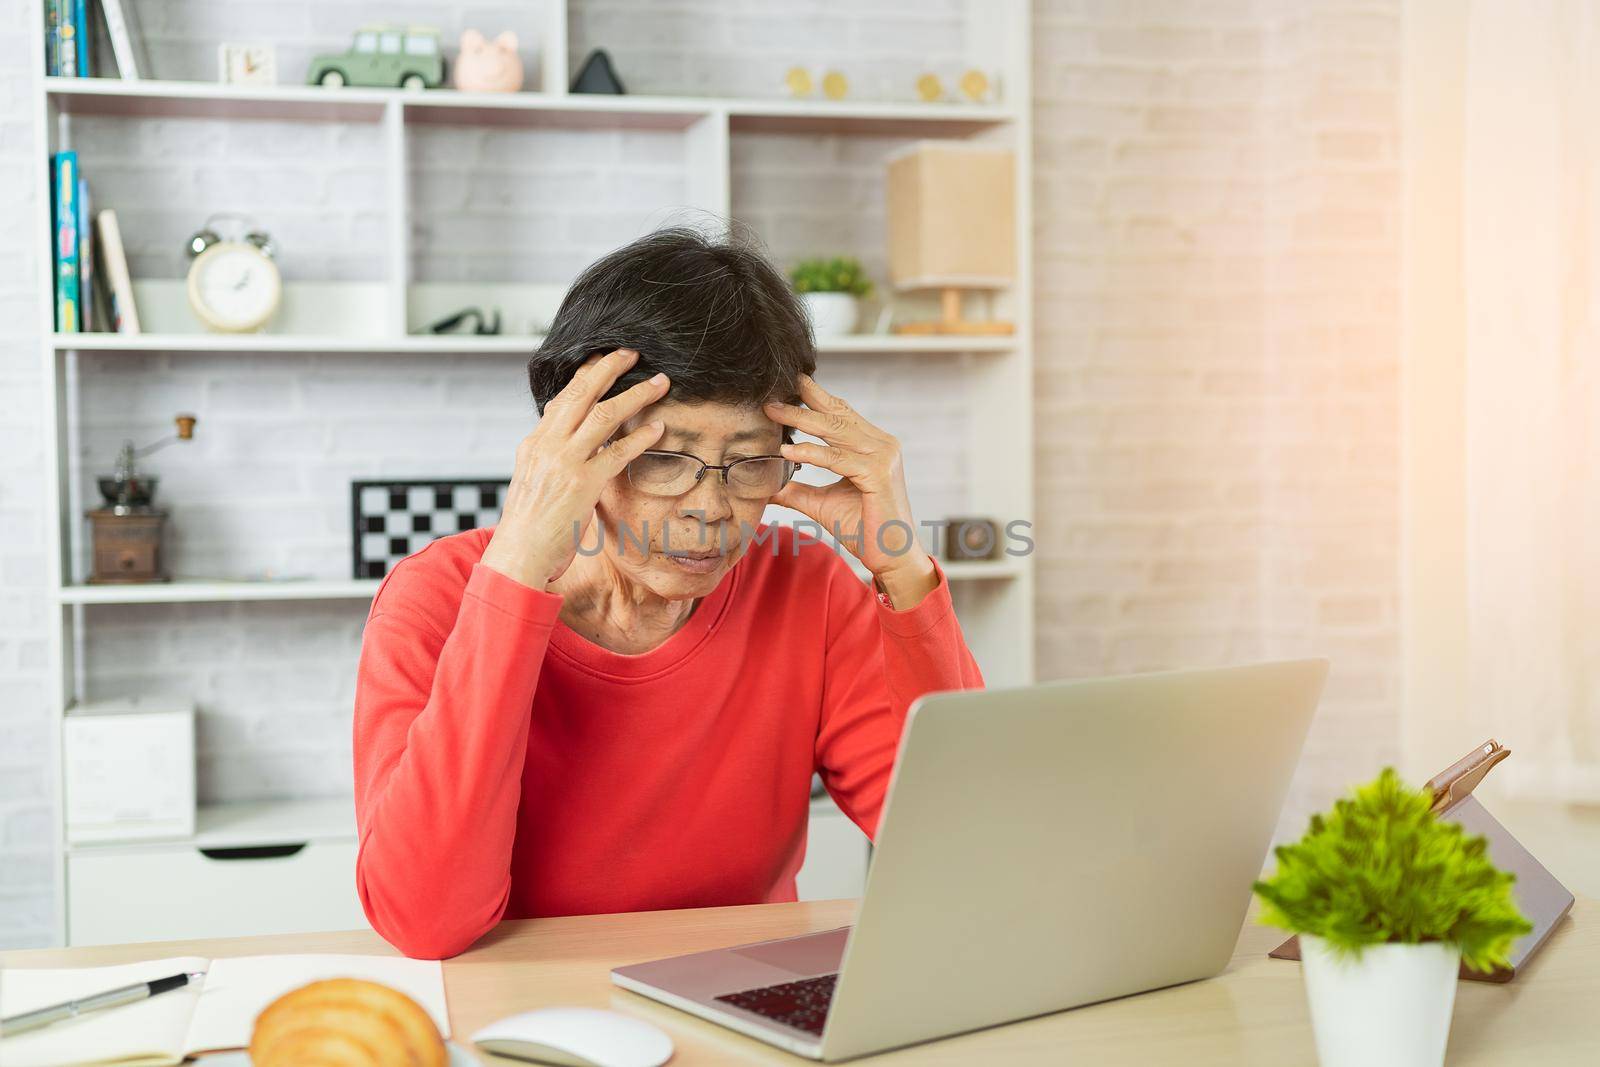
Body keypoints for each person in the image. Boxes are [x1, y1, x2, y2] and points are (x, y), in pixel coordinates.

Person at [351, 227, 983, 959]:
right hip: (524, 1010)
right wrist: (517, 572)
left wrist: (902, 575)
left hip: (743, 1002)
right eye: (662, 458)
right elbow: (425, 918)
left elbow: (965, 854)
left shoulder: (807, 589)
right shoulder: (437, 597)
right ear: (571, 445)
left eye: (750, 464)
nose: (709, 507)